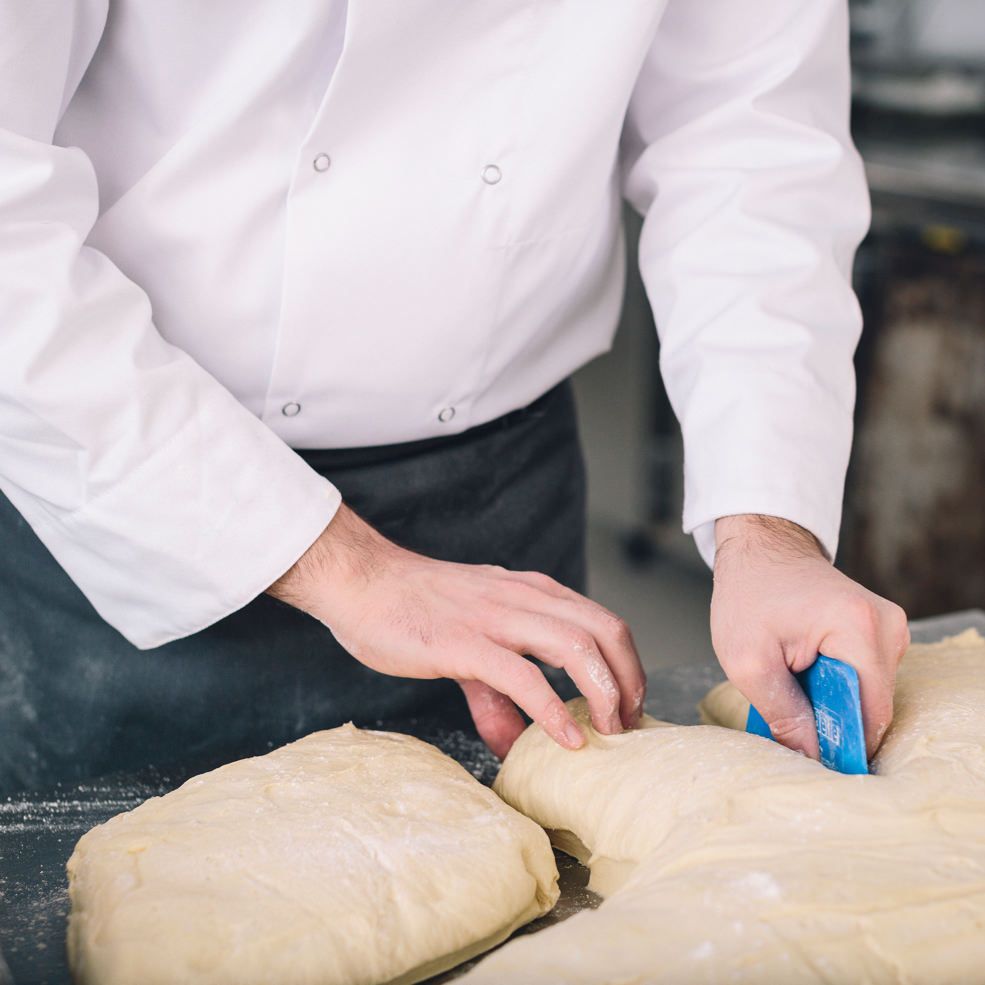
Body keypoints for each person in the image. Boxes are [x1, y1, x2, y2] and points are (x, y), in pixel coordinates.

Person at [0, 0, 909, 794]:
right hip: (136, 488)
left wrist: (767, 531)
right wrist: (345, 569)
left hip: (505, 508)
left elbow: (746, 138)